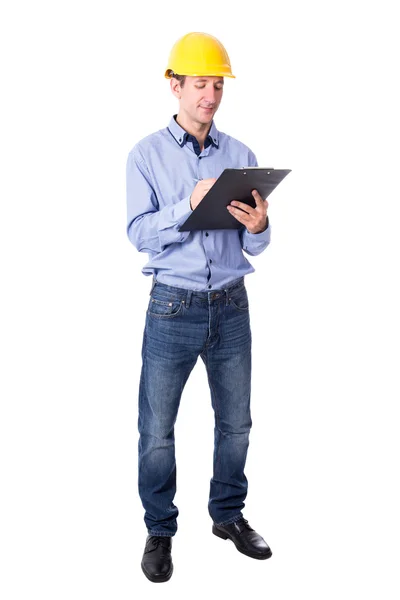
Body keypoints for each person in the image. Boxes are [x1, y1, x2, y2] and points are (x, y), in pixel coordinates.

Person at [126, 32, 272, 583]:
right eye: (200, 84)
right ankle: (159, 528)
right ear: (175, 85)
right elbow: (139, 234)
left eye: (218, 84)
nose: (210, 95)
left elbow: (253, 243)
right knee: (157, 429)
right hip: (172, 308)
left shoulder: (242, 156)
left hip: (232, 307)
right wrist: (184, 206)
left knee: (236, 425)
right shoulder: (146, 155)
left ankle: (228, 517)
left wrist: (260, 227)